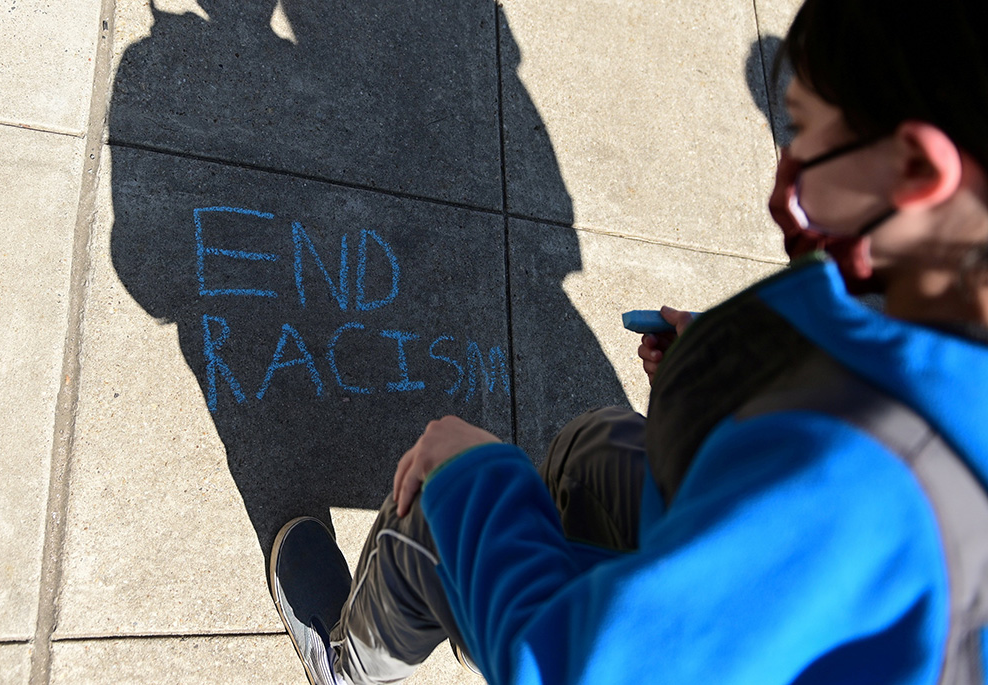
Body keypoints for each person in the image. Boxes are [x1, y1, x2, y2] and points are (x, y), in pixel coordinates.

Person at [269, 0, 988, 682]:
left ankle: (351, 659)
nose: (783, 166)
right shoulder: (946, 300)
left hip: (638, 646)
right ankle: (507, 592)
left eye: (801, 131)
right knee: (595, 449)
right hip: (739, 580)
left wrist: (475, 477)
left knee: (437, 505)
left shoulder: (861, 481)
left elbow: (581, 668)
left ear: (921, 171)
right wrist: (740, 371)